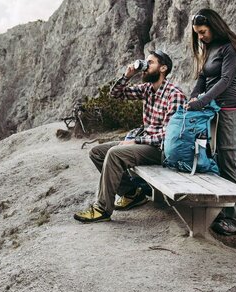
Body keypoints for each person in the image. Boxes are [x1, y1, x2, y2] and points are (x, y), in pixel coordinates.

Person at [74, 50, 186, 223]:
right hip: (145, 144)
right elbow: (115, 94)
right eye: (145, 62)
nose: (145, 66)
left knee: (114, 153)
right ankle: (131, 193)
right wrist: (127, 76)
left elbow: (169, 135)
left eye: (150, 63)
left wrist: (136, 140)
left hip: (162, 150)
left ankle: (102, 209)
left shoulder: (174, 94)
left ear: (163, 68)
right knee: (97, 152)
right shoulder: (148, 89)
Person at [187, 8, 236, 236]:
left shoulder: (228, 48)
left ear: (214, 27)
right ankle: (223, 212)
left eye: (203, 32)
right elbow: (203, 78)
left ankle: (235, 220)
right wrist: (193, 98)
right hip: (212, 112)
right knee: (216, 160)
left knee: (229, 161)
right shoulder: (209, 48)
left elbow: (225, 80)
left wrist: (201, 101)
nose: (200, 37)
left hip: (229, 111)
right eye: (197, 34)